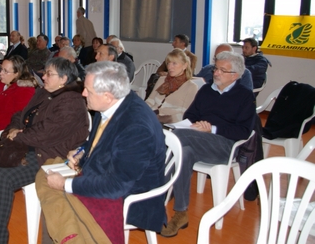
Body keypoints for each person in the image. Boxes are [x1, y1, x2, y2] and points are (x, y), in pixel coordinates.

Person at [37, 61, 166, 243]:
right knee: (47, 179)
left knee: (54, 192)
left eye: (88, 91)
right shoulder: (109, 105)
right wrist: (82, 151)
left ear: (107, 95)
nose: (83, 94)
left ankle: (72, 238)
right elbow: (96, 141)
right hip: (106, 174)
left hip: (130, 195)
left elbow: (115, 186)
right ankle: (70, 237)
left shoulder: (136, 126)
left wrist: (65, 185)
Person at [0, 57, 90, 244]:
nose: (44, 76)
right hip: (27, 144)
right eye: (45, 72)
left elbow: (47, 133)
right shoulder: (44, 92)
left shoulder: (72, 102)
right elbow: (20, 114)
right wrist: (12, 130)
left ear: (64, 79)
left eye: (49, 74)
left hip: (50, 155)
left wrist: (17, 135)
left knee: (1, 176)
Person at [161, 51, 255, 237]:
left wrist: (211, 128)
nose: (216, 73)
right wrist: (197, 124)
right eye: (215, 68)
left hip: (225, 146)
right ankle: (181, 213)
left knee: (176, 136)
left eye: (222, 70)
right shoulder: (206, 90)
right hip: (198, 141)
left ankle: (156, 194)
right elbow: (190, 116)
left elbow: (243, 132)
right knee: (184, 152)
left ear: (234, 75)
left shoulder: (244, 96)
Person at [146, 49, 198, 124]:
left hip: (169, 123)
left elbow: (184, 115)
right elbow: (150, 101)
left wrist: (159, 119)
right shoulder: (162, 80)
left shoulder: (191, 87)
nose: (170, 67)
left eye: (174, 63)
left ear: (185, 65)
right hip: (151, 117)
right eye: (168, 63)